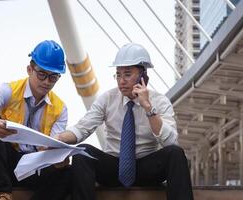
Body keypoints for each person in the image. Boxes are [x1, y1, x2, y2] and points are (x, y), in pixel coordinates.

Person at [55, 43, 194, 200]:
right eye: (118, 75)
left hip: (146, 168)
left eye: (127, 74)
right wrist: (58, 139)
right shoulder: (107, 99)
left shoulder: (160, 102)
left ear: (143, 77)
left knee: (176, 154)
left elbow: (171, 142)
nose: (121, 81)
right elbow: (82, 129)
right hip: (114, 167)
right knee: (82, 152)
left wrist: (148, 108)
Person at [0, 40, 70, 200]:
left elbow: (52, 147)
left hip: (32, 166)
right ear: (30, 70)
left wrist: (58, 158)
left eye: (53, 77)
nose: (46, 82)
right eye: (42, 74)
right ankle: (2, 193)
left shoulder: (60, 108)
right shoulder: (8, 90)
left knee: (69, 171)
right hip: (0, 162)